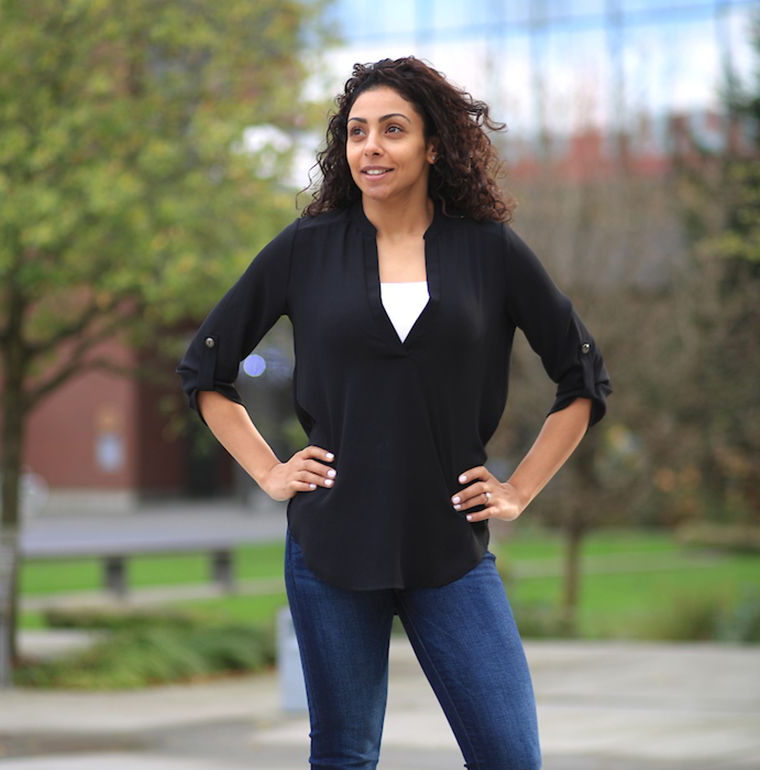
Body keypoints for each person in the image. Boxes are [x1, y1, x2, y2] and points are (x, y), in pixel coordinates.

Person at [177, 56, 611, 770]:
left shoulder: (489, 252)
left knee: (510, 756)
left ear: (433, 145)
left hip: (451, 547)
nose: (370, 147)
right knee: (345, 757)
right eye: (356, 133)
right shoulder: (305, 250)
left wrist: (519, 487)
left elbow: (583, 377)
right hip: (332, 545)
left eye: (392, 130)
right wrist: (269, 469)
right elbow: (206, 369)